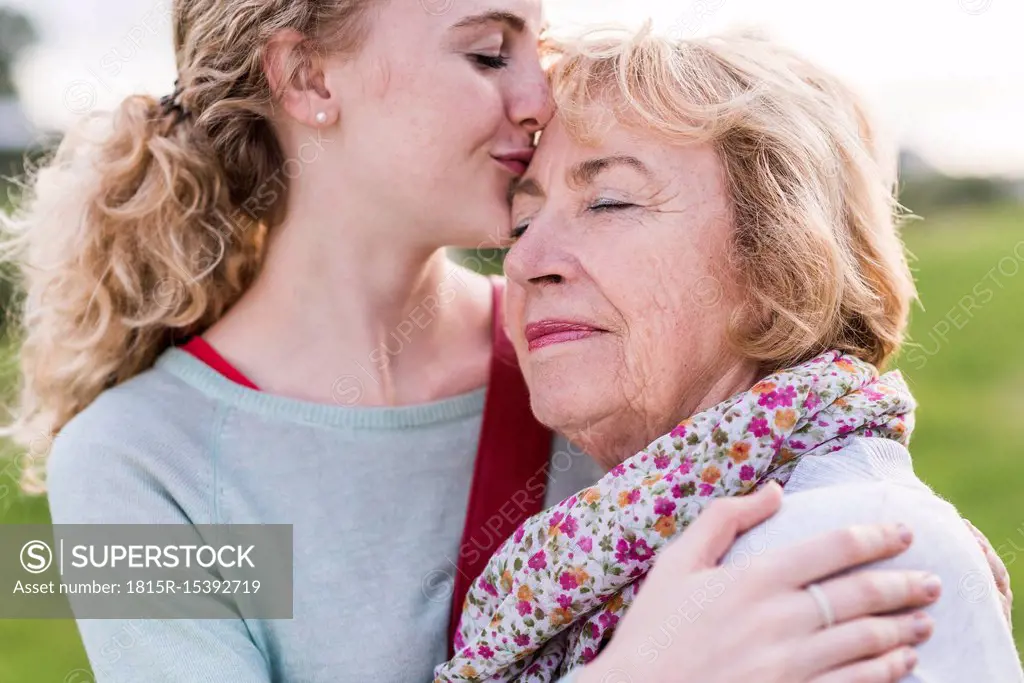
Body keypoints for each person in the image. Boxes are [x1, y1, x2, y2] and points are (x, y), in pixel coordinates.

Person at [0, 2, 1007, 682]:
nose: (538, 95)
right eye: (488, 52)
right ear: (307, 77)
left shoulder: (591, 361)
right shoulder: (133, 459)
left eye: (536, 44)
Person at [437, 27, 1022, 682]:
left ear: (778, 265)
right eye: (522, 225)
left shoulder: (852, 553)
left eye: (608, 201)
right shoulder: (627, 548)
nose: (523, 261)